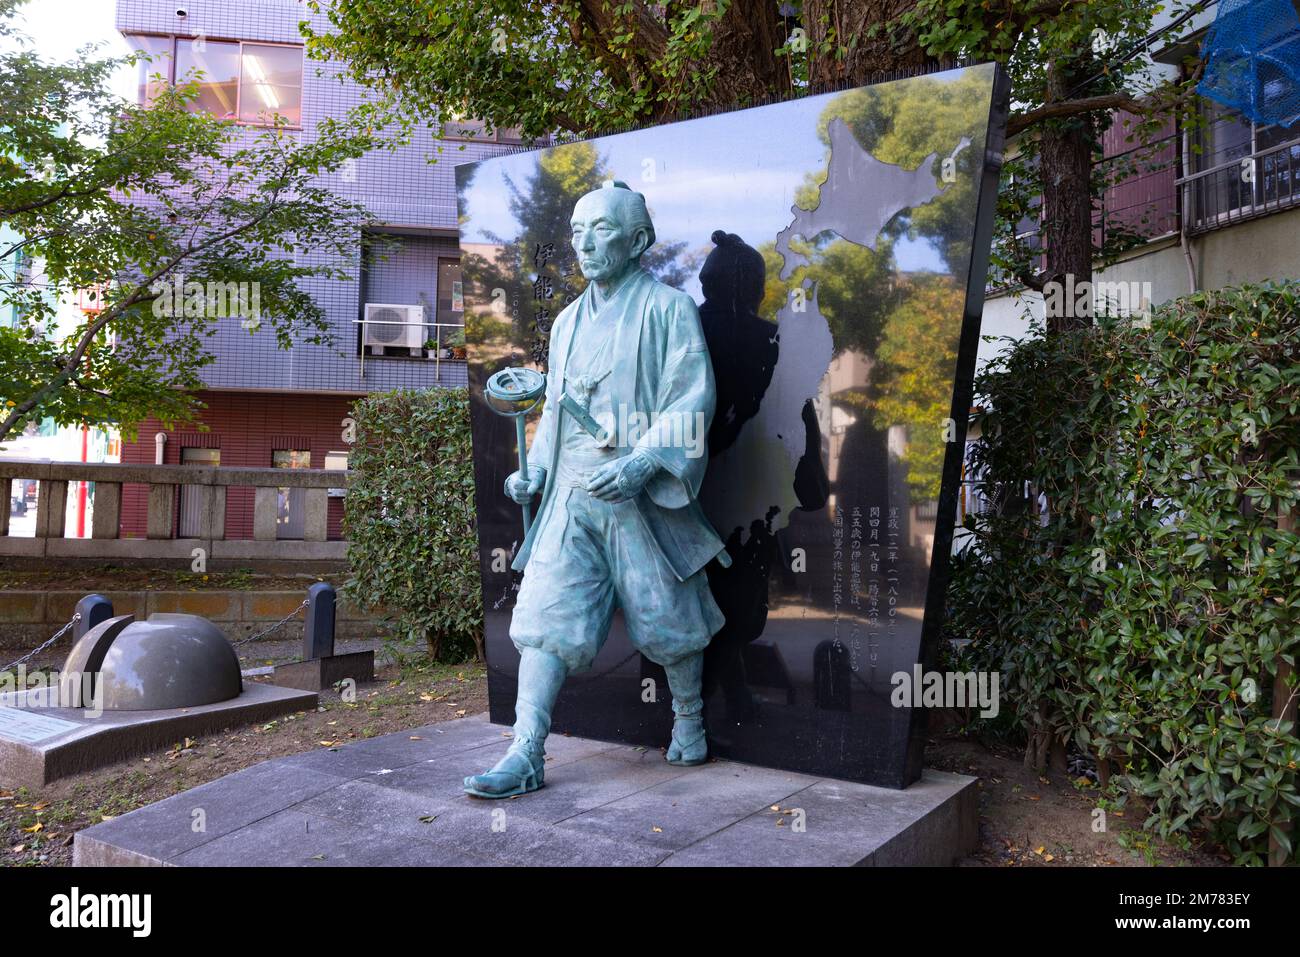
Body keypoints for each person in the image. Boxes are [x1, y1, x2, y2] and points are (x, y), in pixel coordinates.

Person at [464, 181, 730, 799]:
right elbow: (556, 407)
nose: (584, 243)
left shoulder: (668, 309)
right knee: (545, 615)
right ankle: (525, 749)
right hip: (571, 496)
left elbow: (693, 398)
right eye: (578, 230)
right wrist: (539, 470)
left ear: (638, 241)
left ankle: (688, 718)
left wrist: (643, 463)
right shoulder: (565, 323)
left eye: (602, 229)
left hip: (636, 489)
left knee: (668, 614)